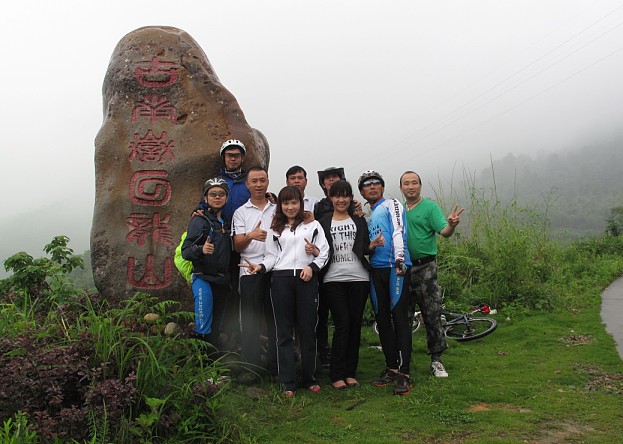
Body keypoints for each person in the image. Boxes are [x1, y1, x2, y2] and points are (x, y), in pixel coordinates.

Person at [243, 186, 329, 397]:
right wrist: (260, 267)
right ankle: (288, 382)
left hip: (306, 279)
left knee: (308, 330)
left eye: (294, 202)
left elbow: (324, 252)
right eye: (286, 203)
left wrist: (312, 267)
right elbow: (271, 257)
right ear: (281, 206)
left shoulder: (313, 225)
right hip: (280, 280)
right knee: (283, 333)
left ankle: (310, 378)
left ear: (301, 203)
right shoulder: (275, 229)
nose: (290, 207)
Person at [400, 171, 464, 378]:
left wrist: (451, 225)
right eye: (406, 184)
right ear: (401, 188)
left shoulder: (429, 207)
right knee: (403, 315)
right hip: (402, 269)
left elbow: (443, 232)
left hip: (425, 268)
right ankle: (402, 358)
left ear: (420, 186)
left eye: (414, 183)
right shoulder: (398, 209)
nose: (410, 187)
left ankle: (436, 359)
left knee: (432, 313)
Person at [318, 180, 381, 390]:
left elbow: (363, 248)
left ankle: (350, 372)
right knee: (342, 325)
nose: (341, 199)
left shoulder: (359, 221)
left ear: (350, 198)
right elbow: (320, 249)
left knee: (354, 326)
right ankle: (336, 374)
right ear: (331, 198)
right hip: (333, 279)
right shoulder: (323, 222)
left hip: (359, 278)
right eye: (337, 195)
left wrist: (371, 246)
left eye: (345, 195)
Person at [358, 170, 413, 395]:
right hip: (376, 270)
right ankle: (391, 366)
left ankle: (404, 373)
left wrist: (400, 258)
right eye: (367, 185)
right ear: (362, 191)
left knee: (399, 318)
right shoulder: (368, 215)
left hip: (394, 268)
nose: (372, 187)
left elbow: (398, 231)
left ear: (382, 187)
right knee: (382, 318)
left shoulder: (392, 204)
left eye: (376, 183)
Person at [232, 166, 278, 383]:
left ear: (267, 182)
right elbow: (237, 246)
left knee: (275, 319)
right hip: (249, 270)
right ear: (247, 185)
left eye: (262, 180)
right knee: (249, 320)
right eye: (254, 181)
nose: (259, 185)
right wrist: (251, 235)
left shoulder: (277, 209)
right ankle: (250, 367)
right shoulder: (241, 212)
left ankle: (276, 365)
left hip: (276, 270)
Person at [182, 178, 232, 346]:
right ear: (205, 198)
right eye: (213, 194)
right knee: (203, 325)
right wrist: (201, 250)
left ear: (226, 197)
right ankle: (202, 367)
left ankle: (214, 366)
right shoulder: (199, 220)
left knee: (217, 324)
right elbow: (186, 251)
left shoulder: (228, 221)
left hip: (222, 279)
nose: (217, 197)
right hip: (203, 278)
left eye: (221, 194)